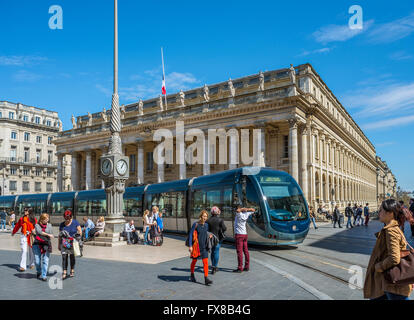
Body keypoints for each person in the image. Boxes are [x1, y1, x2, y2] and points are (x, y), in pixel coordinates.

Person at [363, 199, 413, 300]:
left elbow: (394, 258)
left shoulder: (391, 231)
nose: (379, 213)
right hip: (389, 282)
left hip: (393, 283)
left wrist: (379, 266)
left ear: (390, 213)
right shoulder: (394, 228)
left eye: (381, 210)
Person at [188, 210, 213, 286]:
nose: (205, 218)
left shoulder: (206, 225)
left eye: (206, 216)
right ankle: (192, 274)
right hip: (196, 247)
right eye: (204, 216)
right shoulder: (195, 225)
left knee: (205, 263)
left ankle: (206, 278)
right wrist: (190, 246)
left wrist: (209, 235)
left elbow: (205, 233)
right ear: (201, 216)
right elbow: (190, 235)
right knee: (194, 261)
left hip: (204, 247)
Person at [58, 210, 82, 279]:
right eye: (66, 218)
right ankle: (64, 271)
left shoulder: (75, 222)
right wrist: (59, 244)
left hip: (73, 242)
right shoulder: (62, 224)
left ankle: (72, 270)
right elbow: (59, 235)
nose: (67, 219)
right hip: (64, 242)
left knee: (72, 257)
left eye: (68, 218)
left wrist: (77, 237)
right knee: (64, 257)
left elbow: (80, 231)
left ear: (71, 217)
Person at [233, 206, 256, 273]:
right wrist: (247, 209)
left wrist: (243, 209)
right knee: (246, 251)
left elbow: (238, 210)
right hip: (244, 234)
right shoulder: (246, 214)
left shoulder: (239, 214)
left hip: (239, 235)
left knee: (239, 252)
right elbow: (253, 210)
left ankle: (240, 268)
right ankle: (247, 266)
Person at [32, 213, 54, 281]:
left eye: (48, 219)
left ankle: (44, 275)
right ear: (42, 219)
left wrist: (49, 235)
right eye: (46, 219)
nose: (47, 220)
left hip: (46, 244)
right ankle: (39, 271)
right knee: (37, 261)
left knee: (45, 260)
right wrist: (47, 235)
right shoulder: (37, 225)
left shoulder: (49, 225)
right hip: (37, 244)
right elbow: (39, 232)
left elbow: (51, 233)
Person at [206, 206, 227, 274]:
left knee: (212, 252)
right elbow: (224, 228)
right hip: (218, 238)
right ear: (217, 212)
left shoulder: (208, 220)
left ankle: (213, 266)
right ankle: (215, 267)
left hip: (211, 238)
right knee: (216, 252)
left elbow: (207, 229)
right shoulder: (220, 220)